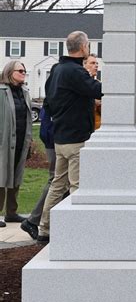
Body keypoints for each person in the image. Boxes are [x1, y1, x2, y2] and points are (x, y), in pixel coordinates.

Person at [37, 31, 101, 245]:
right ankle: (77, 233)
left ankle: (44, 228)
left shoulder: (56, 70)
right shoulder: (75, 72)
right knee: (77, 186)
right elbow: (97, 90)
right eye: (88, 46)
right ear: (83, 47)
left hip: (60, 138)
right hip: (76, 140)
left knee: (57, 185)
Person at [0, 60, 32, 226]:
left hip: (20, 140)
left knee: (15, 175)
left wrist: (29, 140)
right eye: (20, 70)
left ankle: (11, 212)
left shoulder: (24, 92)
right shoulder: (1, 91)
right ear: (9, 72)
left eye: (24, 71)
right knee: (1, 176)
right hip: (3, 142)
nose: (23, 73)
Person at [20, 100, 57, 241]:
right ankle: (33, 220)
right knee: (56, 180)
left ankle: (37, 220)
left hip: (54, 139)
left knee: (58, 180)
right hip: (56, 140)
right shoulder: (60, 84)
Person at [83, 53, 102, 130]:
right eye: (92, 63)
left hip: (98, 129)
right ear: (84, 66)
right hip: (83, 130)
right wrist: (94, 102)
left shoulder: (99, 84)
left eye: (97, 63)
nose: (96, 66)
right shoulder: (79, 84)